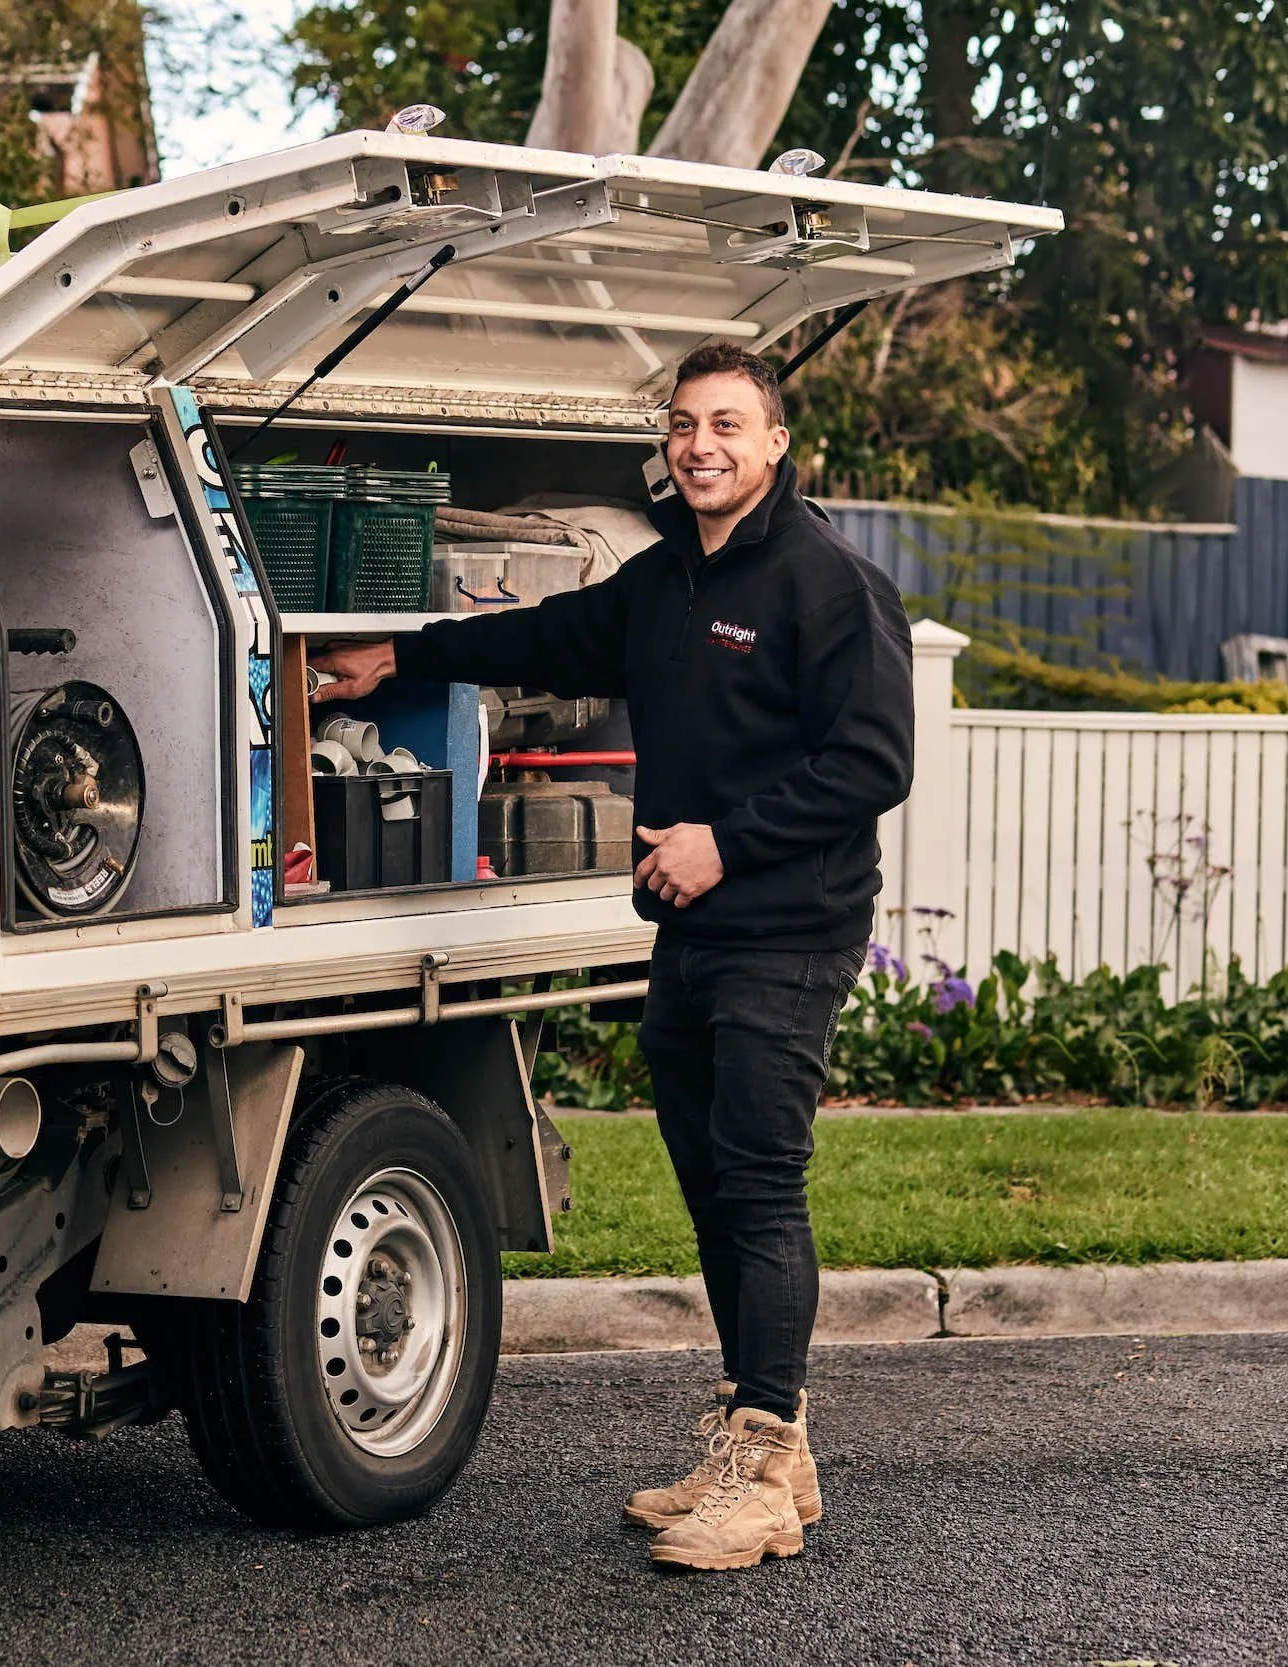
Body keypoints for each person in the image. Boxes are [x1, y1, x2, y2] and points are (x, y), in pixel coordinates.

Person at [309, 342, 914, 1572]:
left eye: (728, 425)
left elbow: (872, 763)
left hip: (787, 928)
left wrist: (723, 844)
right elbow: (547, 638)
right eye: (687, 424)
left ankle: (761, 1458)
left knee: (757, 1177)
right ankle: (769, 1447)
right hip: (692, 928)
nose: (702, 445)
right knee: (708, 1181)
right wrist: (398, 658)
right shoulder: (660, 583)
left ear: (776, 443)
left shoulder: (827, 584)